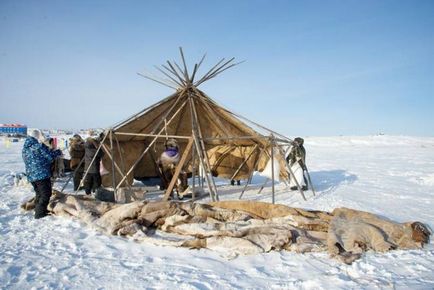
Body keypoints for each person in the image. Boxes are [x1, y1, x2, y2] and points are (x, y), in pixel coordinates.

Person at [22, 129, 62, 219]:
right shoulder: (38, 146)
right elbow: (50, 156)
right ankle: (40, 214)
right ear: (37, 136)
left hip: (31, 175)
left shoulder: (25, 148)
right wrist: (57, 152)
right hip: (41, 174)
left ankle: (39, 209)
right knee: (46, 194)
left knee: (39, 193)